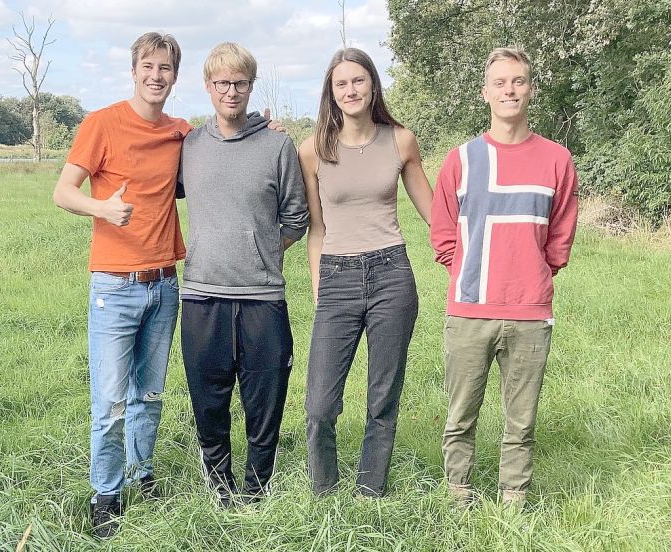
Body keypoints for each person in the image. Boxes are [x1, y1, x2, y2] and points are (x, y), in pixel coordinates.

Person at [430, 47, 579, 510]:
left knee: (522, 420)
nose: (509, 90)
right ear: (485, 93)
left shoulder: (557, 159)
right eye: (500, 83)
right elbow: (442, 232)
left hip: (529, 311)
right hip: (470, 310)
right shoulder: (462, 160)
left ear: (530, 89)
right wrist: (468, 271)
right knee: (460, 416)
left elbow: (560, 236)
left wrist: (532, 273)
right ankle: (459, 493)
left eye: (518, 81)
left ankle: (514, 497)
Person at [52, 32, 188, 538]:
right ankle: (106, 493)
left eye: (166, 69)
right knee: (110, 400)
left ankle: (141, 472)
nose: (156, 76)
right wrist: (102, 207)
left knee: (149, 395)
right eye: (148, 66)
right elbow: (63, 191)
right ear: (134, 70)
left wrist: (268, 128)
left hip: (164, 284)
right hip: (114, 285)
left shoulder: (179, 132)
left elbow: (224, 144)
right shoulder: (101, 123)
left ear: (175, 76)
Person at [177, 42, 309, 507]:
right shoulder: (189, 145)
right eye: (222, 83)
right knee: (208, 400)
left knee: (264, 399)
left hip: (262, 297)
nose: (231, 91)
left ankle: (257, 487)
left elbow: (296, 218)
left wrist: (257, 251)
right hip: (201, 296)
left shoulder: (278, 144)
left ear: (251, 86)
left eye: (240, 83)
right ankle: (219, 485)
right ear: (208, 86)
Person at [299, 48, 433, 498]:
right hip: (336, 275)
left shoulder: (400, 140)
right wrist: (320, 288)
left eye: (358, 81)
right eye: (342, 83)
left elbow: (436, 213)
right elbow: (315, 230)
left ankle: (370, 489)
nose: (351, 90)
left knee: (383, 395)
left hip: (391, 274)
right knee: (319, 404)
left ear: (372, 85)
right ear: (331, 92)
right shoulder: (313, 149)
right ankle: (324, 490)